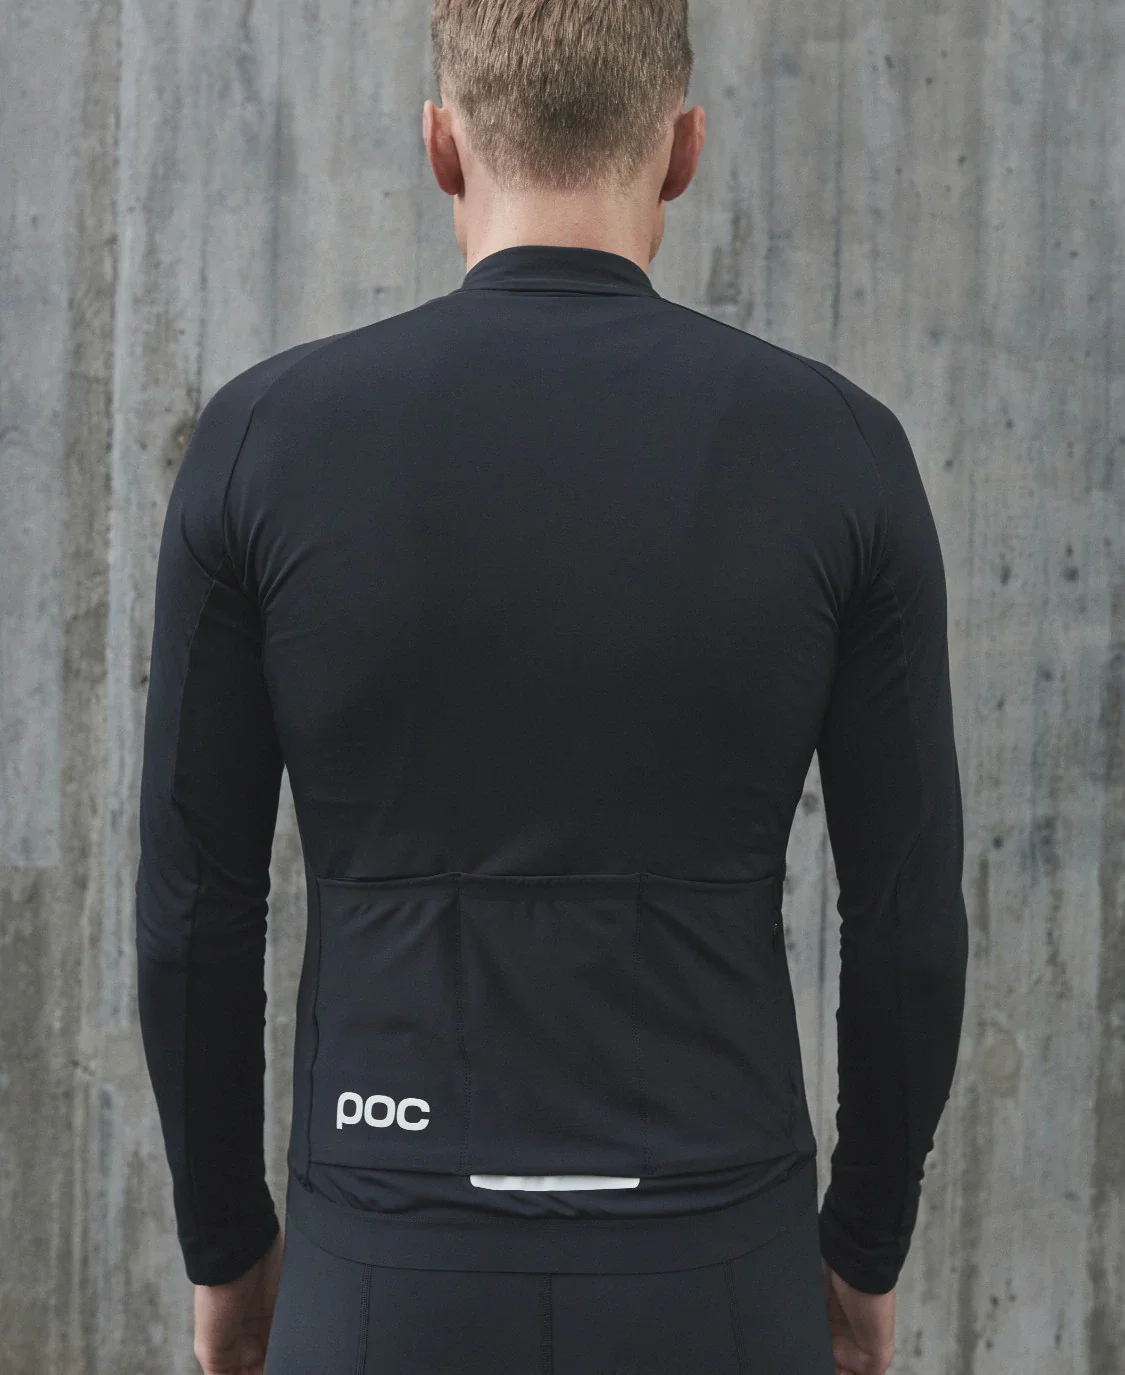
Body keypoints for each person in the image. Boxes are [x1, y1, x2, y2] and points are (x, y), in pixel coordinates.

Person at [134, 1, 969, 1372]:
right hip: (721, 1258)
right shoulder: (840, 452)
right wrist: (865, 1251)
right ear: (685, 150)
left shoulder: (262, 442)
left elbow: (191, 914)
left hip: (380, 1257)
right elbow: (907, 925)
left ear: (440, 146)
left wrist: (226, 1251)